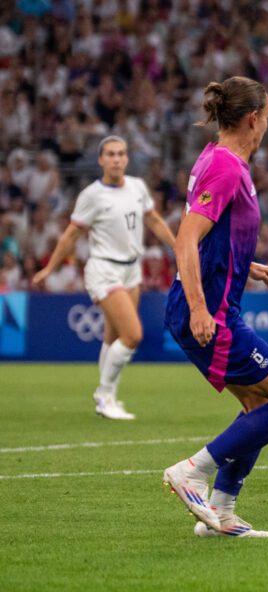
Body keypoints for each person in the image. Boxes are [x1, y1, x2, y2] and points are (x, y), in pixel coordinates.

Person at [161, 77, 268, 538]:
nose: (267, 126)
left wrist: (247, 265)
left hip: (215, 306)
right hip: (211, 315)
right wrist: (199, 308)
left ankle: (222, 514)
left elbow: (214, 237)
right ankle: (192, 472)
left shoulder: (215, 157)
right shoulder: (226, 166)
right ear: (253, 118)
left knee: (258, 403)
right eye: (267, 118)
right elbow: (186, 239)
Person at [32, 136, 175, 420]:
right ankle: (104, 394)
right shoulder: (92, 195)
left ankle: (108, 398)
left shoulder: (137, 186)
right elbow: (71, 235)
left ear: (127, 158)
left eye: (121, 153)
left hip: (131, 268)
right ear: (100, 160)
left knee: (113, 336)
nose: (117, 159)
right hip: (104, 269)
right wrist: (50, 268)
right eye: (110, 154)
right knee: (132, 334)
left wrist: (178, 246)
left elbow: (154, 220)